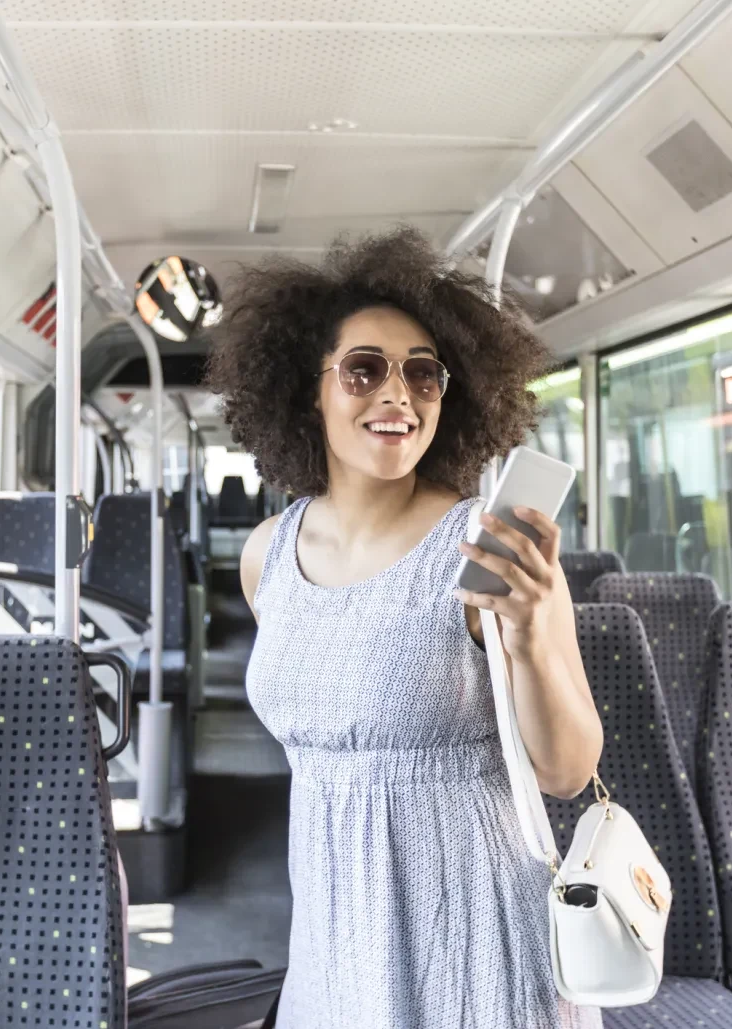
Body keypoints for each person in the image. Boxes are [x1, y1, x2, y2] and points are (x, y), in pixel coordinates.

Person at [205, 227, 604, 1028]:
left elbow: (568, 771)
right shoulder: (266, 558)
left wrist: (528, 637)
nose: (399, 395)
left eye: (424, 374)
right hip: (333, 931)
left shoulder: (490, 548)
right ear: (306, 389)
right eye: (364, 370)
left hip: (476, 929)